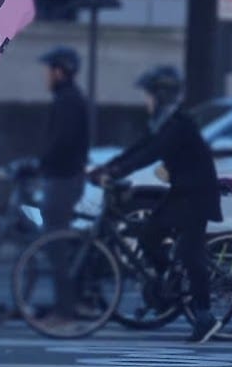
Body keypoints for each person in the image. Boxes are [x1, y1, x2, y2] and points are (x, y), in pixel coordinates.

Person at [87, 65, 222, 343]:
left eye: (149, 95)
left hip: (197, 195)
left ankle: (205, 315)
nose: (146, 101)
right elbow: (139, 147)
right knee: (149, 234)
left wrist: (116, 172)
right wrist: (108, 167)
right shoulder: (164, 123)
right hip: (180, 192)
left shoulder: (179, 125)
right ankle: (167, 286)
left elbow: (151, 154)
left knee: (189, 252)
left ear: (161, 96)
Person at [35, 46, 90, 323]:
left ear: (60, 71)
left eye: (48, 70)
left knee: (56, 243)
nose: (45, 76)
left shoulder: (68, 101)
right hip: (63, 177)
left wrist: (40, 163)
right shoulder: (68, 98)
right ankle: (70, 302)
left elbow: (61, 143)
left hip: (63, 179)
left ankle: (64, 309)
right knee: (58, 242)